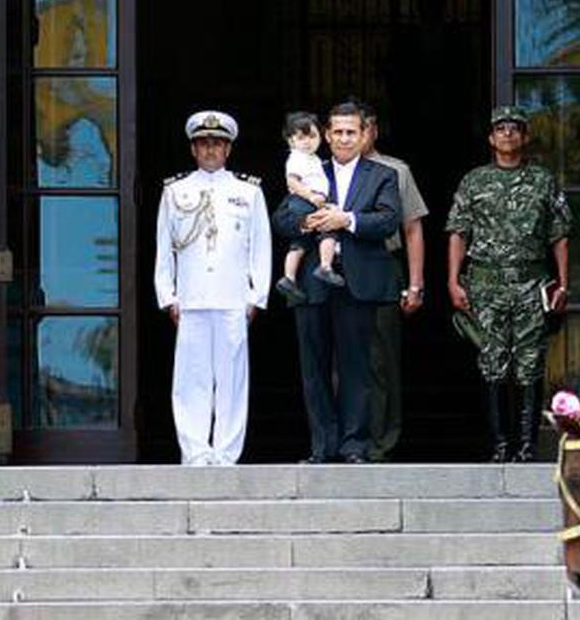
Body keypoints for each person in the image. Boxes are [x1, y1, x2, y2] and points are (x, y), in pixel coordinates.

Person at [272, 101, 401, 464]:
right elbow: (280, 218)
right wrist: (307, 223)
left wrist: (345, 220)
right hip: (312, 283)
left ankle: (354, 446)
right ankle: (322, 448)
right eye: (338, 132)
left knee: (356, 367)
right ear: (326, 135)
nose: (344, 138)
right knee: (313, 368)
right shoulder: (308, 169)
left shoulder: (382, 175)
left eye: (351, 132)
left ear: (364, 135)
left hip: (357, 281)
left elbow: (389, 220)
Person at [445, 105, 571, 463]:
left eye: (515, 129)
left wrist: (563, 282)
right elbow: (458, 232)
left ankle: (528, 445)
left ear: (525, 137)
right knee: (492, 362)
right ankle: (501, 445)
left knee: (530, 364)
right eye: (500, 129)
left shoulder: (543, 180)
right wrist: (454, 281)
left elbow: (560, 234)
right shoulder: (474, 181)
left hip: (531, 282)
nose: (508, 134)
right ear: (491, 138)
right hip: (486, 282)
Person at [154, 110, 272, 466]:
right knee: (191, 379)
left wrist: (256, 297)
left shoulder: (247, 191)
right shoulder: (175, 190)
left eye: (217, 143)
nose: (210, 150)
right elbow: (164, 249)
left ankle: (225, 452)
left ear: (228, 149)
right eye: (203, 143)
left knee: (232, 380)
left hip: (233, 297)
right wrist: (168, 296)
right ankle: (195, 451)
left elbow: (260, 246)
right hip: (191, 298)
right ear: (193, 149)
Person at [358, 103, 429, 463]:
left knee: (381, 360)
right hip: (339, 269)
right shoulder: (323, 171)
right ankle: (347, 439)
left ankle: (381, 441)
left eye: (362, 127)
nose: (354, 136)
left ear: (373, 130)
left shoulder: (395, 170)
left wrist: (415, 284)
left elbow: (413, 227)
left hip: (383, 265)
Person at [275, 111, 344, 305]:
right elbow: (292, 182)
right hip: (305, 201)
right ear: (290, 140)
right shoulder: (297, 158)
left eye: (312, 136)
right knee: (329, 229)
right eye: (300, 137)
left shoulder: (313, 159)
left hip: (306, 201)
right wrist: (312, 196)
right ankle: (325, 266)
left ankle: (288, 278)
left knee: (300, 243)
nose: (307, 141)